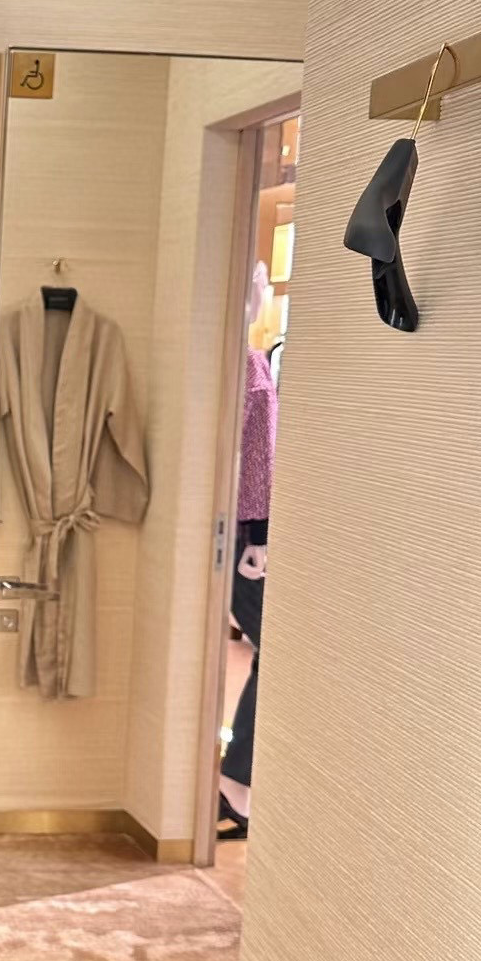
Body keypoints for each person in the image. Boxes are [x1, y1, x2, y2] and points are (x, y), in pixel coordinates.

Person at [218, 343, 278, 841]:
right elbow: (257, 446)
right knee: (278, 652)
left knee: (270, 651)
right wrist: (259, 535)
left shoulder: (225, 356)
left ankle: (236, 780)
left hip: (225, 522)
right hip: (240, 532)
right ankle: (235, 783)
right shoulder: (250, 361)